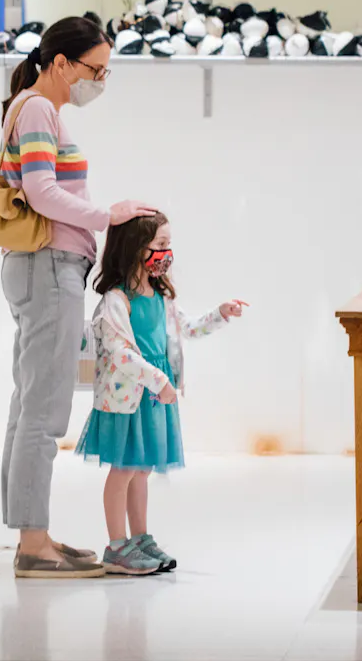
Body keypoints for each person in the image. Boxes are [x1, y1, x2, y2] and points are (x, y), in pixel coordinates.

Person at [0, 16, 156, 579]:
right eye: (95, 69)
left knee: (29, 408)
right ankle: (32, 545)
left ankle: (33, 534)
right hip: (49, 267)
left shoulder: (30, 107)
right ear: (61, 64)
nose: (99, 81)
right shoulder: (39, 108)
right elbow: (42, 192)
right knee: (43, 413)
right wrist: (106, 216)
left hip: (41, 267)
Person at [74, 211, 247, 575]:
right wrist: (159, 381)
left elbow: (190, 329)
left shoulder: (162, 297)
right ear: (136, 248)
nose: (168, 253)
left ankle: (140, 538)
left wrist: (221, 313)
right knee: (122, 470)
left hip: (153, 396)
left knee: (141, 470)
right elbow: (122, 354)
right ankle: (117, 546)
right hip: (127, 400)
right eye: (161, 245)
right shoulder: (115, 301)